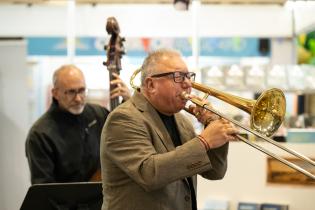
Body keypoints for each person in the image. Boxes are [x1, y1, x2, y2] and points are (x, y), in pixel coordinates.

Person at [100, 48, 239, 210]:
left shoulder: (182, 121)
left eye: (188, 76)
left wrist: (213, 125)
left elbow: (215, 172)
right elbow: (149, 173)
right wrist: (204, 141)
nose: (188, 84)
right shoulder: (124, 119)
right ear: (151, 84)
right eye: (178, 77)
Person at [25, 64, 130, 184]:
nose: (78, 98)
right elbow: (44, 189)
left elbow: (125, 137)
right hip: (66, 202)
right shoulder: (40, 134)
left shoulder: (98, 114)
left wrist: (128, 104)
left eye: (82, 90)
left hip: (104, 199)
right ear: (55, 93)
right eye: (71, 92)